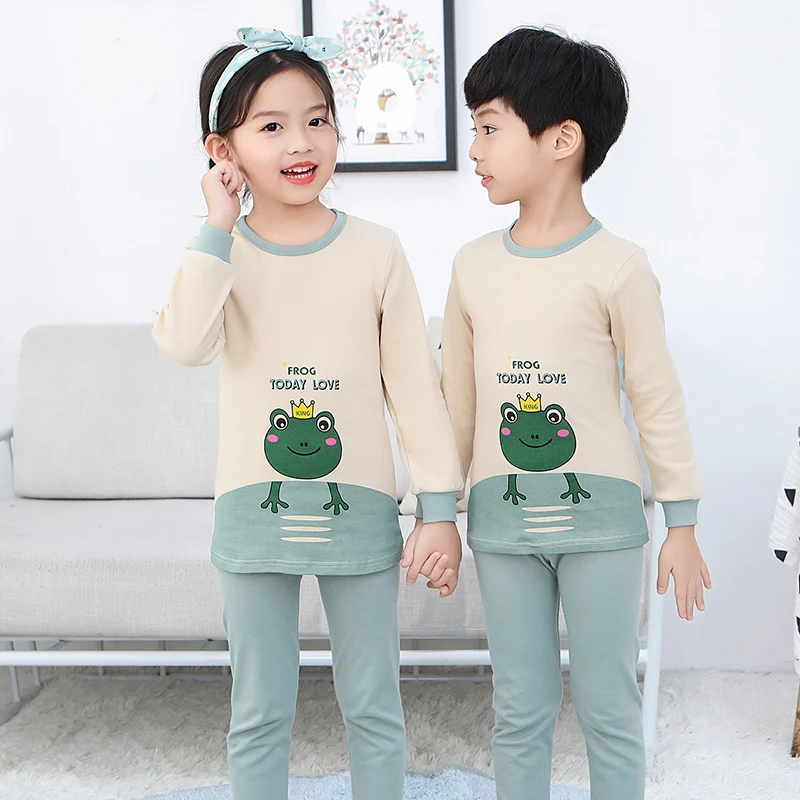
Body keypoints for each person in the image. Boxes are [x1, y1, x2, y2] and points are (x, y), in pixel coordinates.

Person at [152, 27, 464, 800]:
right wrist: (217, 223)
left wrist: (437, 509)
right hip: (252, 514)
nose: (302, 142)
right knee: (259, 711)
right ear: (222, 150)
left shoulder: (377, 250)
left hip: (357, 508)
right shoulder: (218, 251)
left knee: (373, 706)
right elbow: (186, 343)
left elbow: (414, 390)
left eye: (317, 119)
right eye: (272, 125)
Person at [440, 26, 712, 800]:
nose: (475, 150)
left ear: (562, 139)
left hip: (603, 524)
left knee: (607, 706)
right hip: (503, 523)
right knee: (519, 708)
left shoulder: (619, 266)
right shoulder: (472, 266)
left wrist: (681, 521)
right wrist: (435, 508)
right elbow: (457, 403)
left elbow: (656, 396)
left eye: (489, 128)